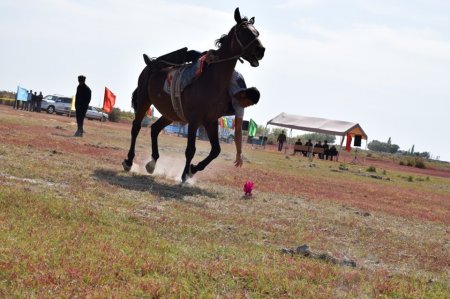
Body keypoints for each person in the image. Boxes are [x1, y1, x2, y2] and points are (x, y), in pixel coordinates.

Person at [228, 71, 260, 167]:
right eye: (248, 103)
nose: (247, 106)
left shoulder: (240, 107)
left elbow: (238, 130)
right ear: (243, 95)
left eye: (250, 105)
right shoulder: (233, 78)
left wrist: (239, 152)